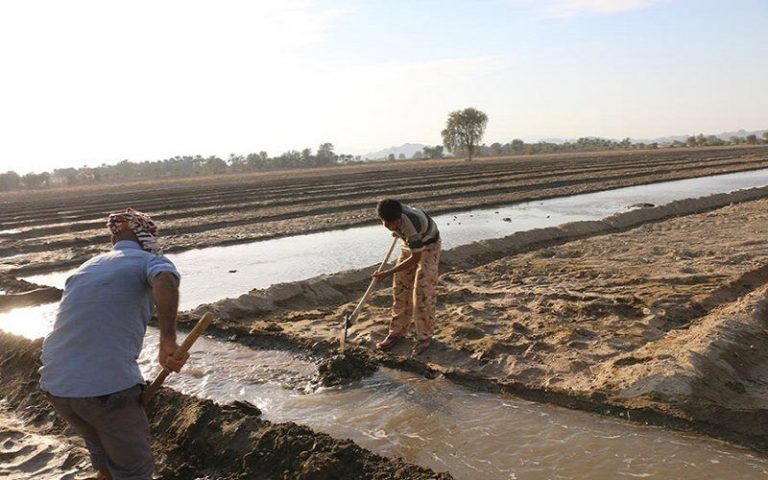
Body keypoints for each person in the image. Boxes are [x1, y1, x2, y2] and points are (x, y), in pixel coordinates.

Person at [39, 208, 186, 480]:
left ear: (113, 239)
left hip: (57, 387)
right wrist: (167, 340)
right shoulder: (147, 260)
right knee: (134, 470)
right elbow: (165, 280)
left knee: (102, 453)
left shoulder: (87, 268)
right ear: (146, 237)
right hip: (105, 389)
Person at [371, 198, 441, 355]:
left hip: (429, 245)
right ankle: (397, 331)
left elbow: (415, 259)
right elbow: (398, 228)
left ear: (400, 217)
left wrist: (387, 273)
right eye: (387, 224)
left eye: (395, 224)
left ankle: (425, 337)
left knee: (422, 290)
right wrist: (397, 231)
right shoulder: (390, 210)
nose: (391, 227)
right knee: (401, 287)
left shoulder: (411, 225)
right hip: (410, 243)